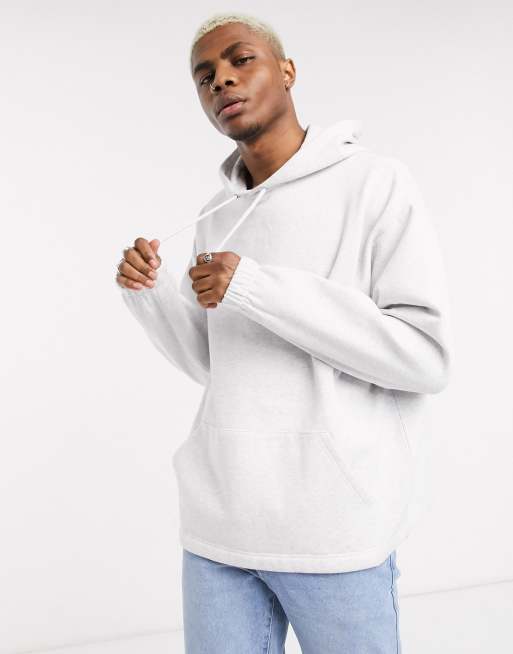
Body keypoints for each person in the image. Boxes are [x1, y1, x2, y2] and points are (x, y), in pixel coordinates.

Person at [115, 11, 454, 654]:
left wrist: (254, 287)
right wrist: (150, 295)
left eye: (240, 59)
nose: (221, 80)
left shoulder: (374, 183)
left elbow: (424, 358)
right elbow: (219, 366)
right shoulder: (216, 216)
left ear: (288, 70)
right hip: (220, 527)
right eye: (204, 76)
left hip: (336, 533)